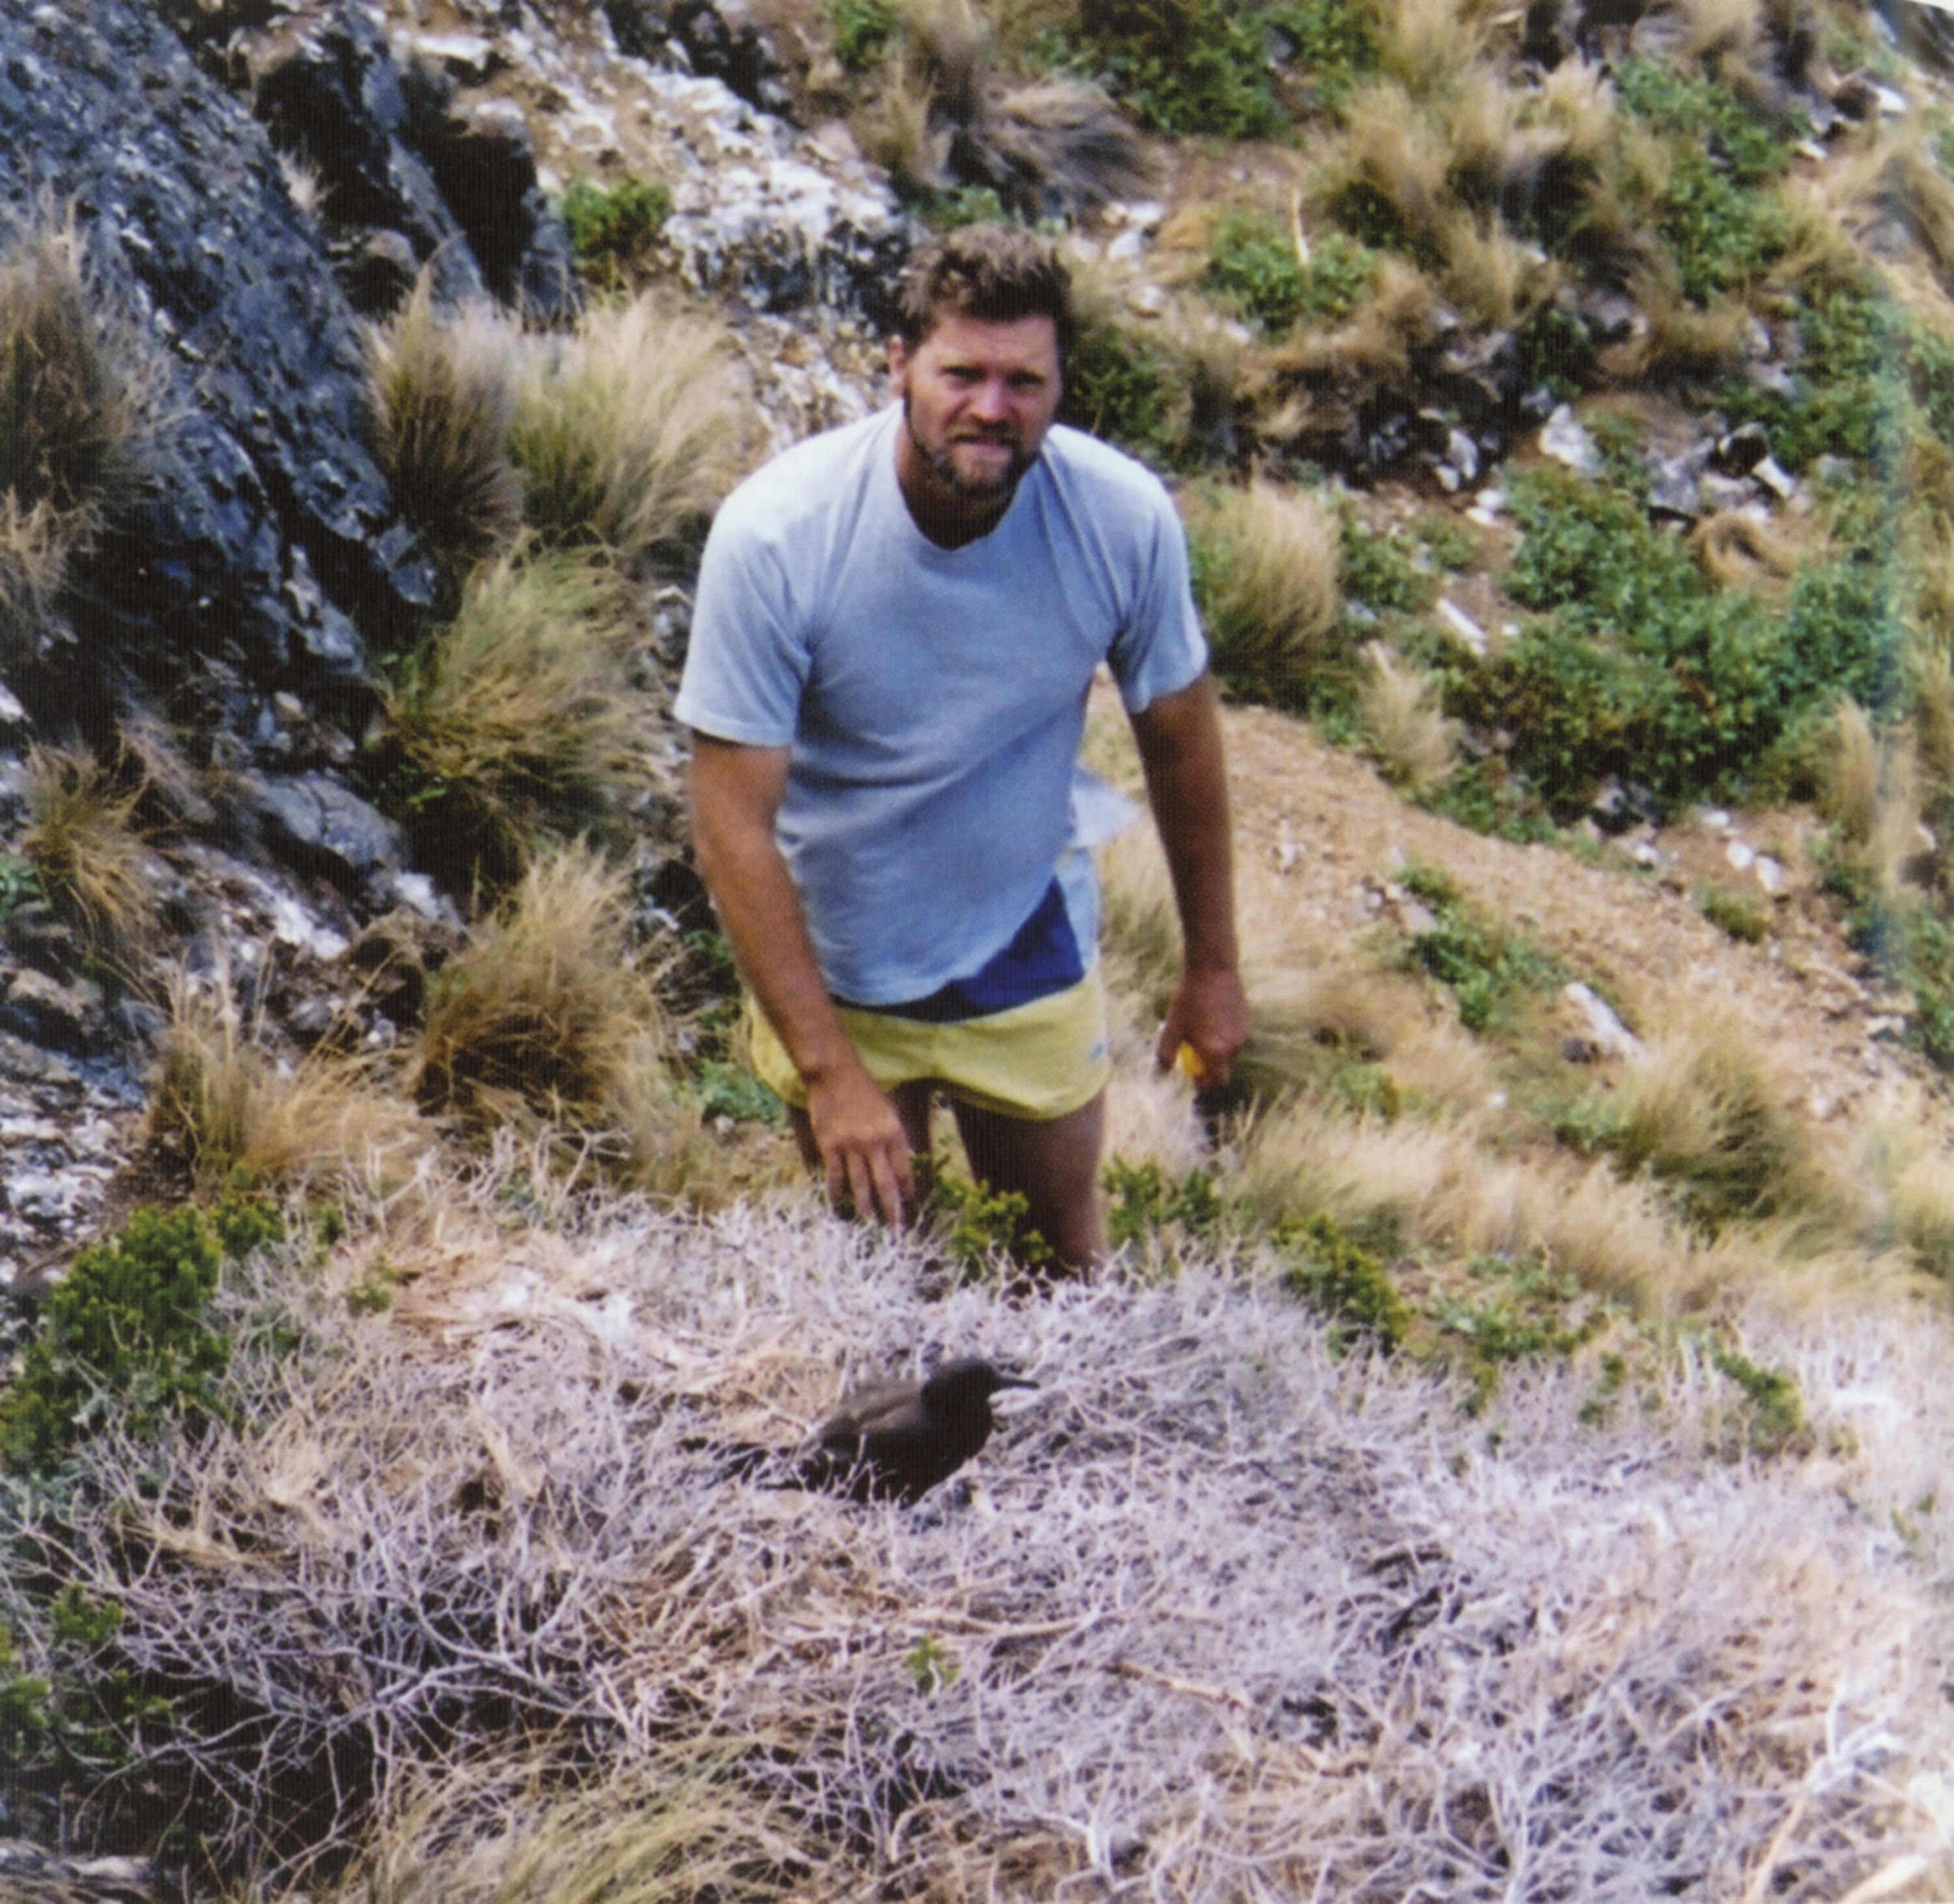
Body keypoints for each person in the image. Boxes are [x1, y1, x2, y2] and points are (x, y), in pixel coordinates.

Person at [676, 223, 1249, 1268]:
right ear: (898, 366)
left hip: (1021, 933)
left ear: (1062, 384)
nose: (992, 408)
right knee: (885, 1283)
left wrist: (1213, 965)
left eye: (1025, 380)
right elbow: (729, 832)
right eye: (963, 373)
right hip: (840, 960)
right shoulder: (778, 537)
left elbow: (1179, 741)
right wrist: (829, 1073)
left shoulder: (1121, 520)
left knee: (1065, 1275)